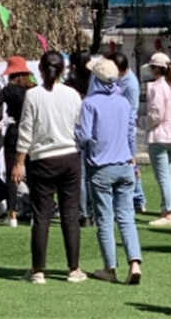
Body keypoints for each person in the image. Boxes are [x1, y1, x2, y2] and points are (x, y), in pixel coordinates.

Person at [12, 50, 86, 284]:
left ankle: (37, 270)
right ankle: (74, 269)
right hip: (70, 157)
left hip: (42, 160)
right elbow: (80, 125)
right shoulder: (72, 94)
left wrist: (19, 161)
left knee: (41, 216)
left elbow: (26, 130)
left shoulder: (33, 95)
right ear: (63, 70)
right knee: (70, 214)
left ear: (40, 70)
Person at [76, 57, 142, 285]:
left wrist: (75, 131)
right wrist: (133, 160)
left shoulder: (90, 104)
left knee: (105, 220)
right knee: (126, 218)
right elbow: (131, 133)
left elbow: (84, 136)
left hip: (101, 167)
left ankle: (110, 268)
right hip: (125, 165)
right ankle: (134, 262)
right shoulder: (124, 102)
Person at [0, 55, 36, 227]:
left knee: (11, 175)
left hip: (14, 132)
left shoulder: (8, 90)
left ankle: (12, 215)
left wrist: (1, 119)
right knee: (32, 175)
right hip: (31, 133)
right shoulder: (34, 90)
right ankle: (35, 214)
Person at [144, 52, 171, 227]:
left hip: (160, 135)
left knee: (163, 176)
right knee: (167, 175)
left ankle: (168, 212)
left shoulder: (157, 88)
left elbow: (156, 114)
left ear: (155, 69)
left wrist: (143, 123)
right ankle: (166, 209)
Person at [105, 52, 146, 213]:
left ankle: (138, 199)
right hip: (118, 125)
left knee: (130, 162)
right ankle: (136, 198)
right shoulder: (119, 80)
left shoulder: (131, 85)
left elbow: (131, 111)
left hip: (125, 127)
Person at [65, 50, 94, 227]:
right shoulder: (96, 83)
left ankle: (84, 214)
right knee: (93, 174)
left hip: (77, 129)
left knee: (81, 176)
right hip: (95, 130)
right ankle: (94, 211)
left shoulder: (69, 86)